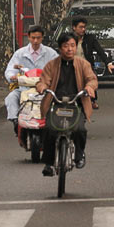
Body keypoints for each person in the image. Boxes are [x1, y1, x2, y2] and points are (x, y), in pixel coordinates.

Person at [36, 33, 97, 175]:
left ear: (76, 47)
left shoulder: (83, 64)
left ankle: (79, 155)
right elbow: (43, 80)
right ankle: (49, 163)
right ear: (60, 48)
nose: (69, 49)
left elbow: (92, 79)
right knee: (49, 129)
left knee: (80, 130)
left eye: (72, 45)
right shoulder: (52, 65)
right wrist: (42, 87)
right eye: (65, 46)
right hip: (56, 103)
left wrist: (89, 87)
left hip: (76, 103)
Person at [4, 25, 58, 133]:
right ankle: (15, 121)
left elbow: (58, 68)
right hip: (24, 88)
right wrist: (12, 76)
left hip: (45, 89)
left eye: (38, 38)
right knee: (11, 98)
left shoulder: (50, 53)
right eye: (33, 37)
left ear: (42, 38)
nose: (35, 40)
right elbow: (10, 69)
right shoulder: (20, 53)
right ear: (28, 37)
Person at [71, 17, 114, 110]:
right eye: (80, 27)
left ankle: (92, 100)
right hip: (72, 67)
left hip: (86, 67)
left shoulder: (90, 39)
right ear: (74, 27)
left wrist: (108, 63)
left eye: (84, 27)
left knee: (91, 80)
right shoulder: (68, 39)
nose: (83, 29)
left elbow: (100, 51)